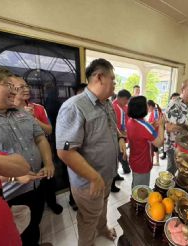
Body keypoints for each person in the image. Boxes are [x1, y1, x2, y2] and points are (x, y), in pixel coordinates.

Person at [0, 64, 55, 246]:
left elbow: (40, 138)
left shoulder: (21, 112)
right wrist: (12, 177)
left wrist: (48, 163)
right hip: (6, 195)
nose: (14, 92)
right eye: (8, 86)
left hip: (36, 183)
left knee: (34, 224)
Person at [56, 58, 126, 245]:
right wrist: (94, 177)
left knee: (102, 207)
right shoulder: (74, 106)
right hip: (89, 182)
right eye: (113, 79)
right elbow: (65, 152)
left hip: (106, 175)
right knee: (88, 218)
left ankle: (102, 228)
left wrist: (120, 138)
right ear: (100, 77)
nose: (115, 84)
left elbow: (112, 128)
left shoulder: (106, 103)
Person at [11, 76, 63, 215]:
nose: (26, 89)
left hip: (41, 153)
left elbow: (49, 130)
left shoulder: (38, 108)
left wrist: (33, 119)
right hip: (19, 158)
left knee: (48, 181)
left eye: (26, 86)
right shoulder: (6, 111)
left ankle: (52, 203)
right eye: (21, 87)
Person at [127, 96, 164, 188]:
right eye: (146, 104)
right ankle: (136, 201)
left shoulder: (130, 121)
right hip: (143, 163)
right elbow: (159, 143)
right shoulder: (145, 126)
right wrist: (161, 125)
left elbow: (141, 133)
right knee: (141, 191)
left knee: (136, 184)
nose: (148, 107)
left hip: (134, 160)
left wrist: (151, 125)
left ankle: (134, 198)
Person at [165, 79, 188, 175]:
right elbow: (170, 128)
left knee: (184, 171)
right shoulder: (174, 104)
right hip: (174, 146)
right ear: (183, 89)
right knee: (171, 171)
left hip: (187, 145)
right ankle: (164, 188)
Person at [111, 89, 132, 191]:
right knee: (114, 159)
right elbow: (113, 125)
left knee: (119, 157)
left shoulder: (123, 106)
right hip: (116, 137)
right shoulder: (113, 107)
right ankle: (112, 184)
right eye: (126, 101)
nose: (126, 103)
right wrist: (121, 135)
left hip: (122, 136)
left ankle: (116, 174)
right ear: (121, 98)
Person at [160, 92, 180, 160]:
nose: (175, 101)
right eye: (174, 99)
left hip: (178, 141)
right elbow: (165, 122)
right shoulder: (168, 109)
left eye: (177, 99)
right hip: (170, 139)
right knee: (171, 162)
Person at [147, 99, 163, 166]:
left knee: (154, 148)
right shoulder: (155, 111)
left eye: (147, 107)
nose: (147, 109)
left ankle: (156, 161)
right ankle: (155, 161)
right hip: (154, 132)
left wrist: (147, 124)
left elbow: (156, 123)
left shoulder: (155, 112)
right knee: (154, 148)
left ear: (150, 106)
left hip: (154, 133)